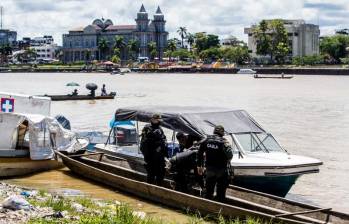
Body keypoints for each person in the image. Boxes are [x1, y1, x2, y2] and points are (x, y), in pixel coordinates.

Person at [197, 125, 233, 202]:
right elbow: (230, 156)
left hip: (210, 170)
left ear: (214, 131)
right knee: (221, 193)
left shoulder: (206, 140)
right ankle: (219, 207)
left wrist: (199, 166)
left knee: (209, 192)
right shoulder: (224, 142)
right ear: (222, 133)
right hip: (222, 171)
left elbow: (199, 153)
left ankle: (207, 207)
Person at [140, 113, 168, 185]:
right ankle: (149, 191)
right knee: (151, 175)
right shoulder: (147, 128)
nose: (158, 121)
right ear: (152, 119)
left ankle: (159, 189)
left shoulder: (160, 129)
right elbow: (143, 144)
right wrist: (148, 156)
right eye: (157, 120)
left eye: (159, 120)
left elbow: (164, 140)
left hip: (160, 157)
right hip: (151, 157)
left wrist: (164, 152)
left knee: (161, 175)